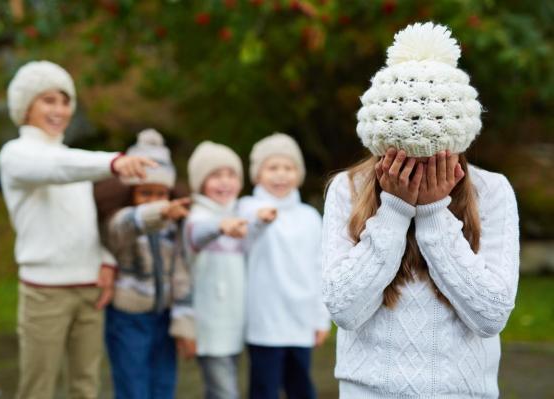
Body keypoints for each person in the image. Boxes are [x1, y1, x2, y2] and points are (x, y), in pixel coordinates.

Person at [322, 22, 520, 398]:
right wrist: (394, 211)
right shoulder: (349, 189)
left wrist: (432, 213)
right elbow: (345, 310)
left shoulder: (492, 191)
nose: (419, 165)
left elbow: (490, 315)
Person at [0, 60, 154, 399]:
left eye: (65, 101)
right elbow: (55, 168)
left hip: (89, 291)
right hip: (45, 293)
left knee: (86, 387)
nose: (59, 110)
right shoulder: (16, 156)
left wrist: (106, 260)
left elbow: (83, 222)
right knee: (37, 389)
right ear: (26, 106)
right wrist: (112, 162)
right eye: (48, 100)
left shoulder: (74, 161)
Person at [101, 129, 194, 399]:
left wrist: (184, 323)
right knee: (133, 387)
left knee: (164, 386)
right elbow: (125, 225)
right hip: (128, 319)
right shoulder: (121, 221)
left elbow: (180, 272)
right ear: (130, 193)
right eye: (145, 193)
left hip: (163, 317)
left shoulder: (172, 228)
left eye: (160, 193)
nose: (153, 200)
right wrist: (160, 211)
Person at [240, 133, 330, 399]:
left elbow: (320, 267)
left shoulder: (309, 216)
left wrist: (320, 317)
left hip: (301, 319)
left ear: (298, 173)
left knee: (301, 388)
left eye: (288, 168)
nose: (281, 175)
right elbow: (245, 233)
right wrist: (260, 219)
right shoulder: (249, 207)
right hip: (264, 321)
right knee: (264, 389)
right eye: (272, 168)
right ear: (258, 174)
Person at [185, 141, 273, 399]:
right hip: (209, 326)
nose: (225, 182)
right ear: (200, 182)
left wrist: (261, 222)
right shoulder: (197, 217)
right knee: (225, 392)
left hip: (234, 323)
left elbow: (245, 237)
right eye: (215, 175)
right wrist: (221, 226)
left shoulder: (237, 212)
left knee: (220, 391)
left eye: (231, 174)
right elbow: (199, 234)